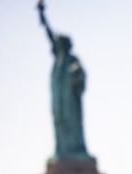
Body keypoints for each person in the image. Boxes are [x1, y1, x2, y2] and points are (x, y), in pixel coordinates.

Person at [38, 0, 92, 161]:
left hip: (70, 101)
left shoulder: (72, 61)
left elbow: (80, 76)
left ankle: (75, 150)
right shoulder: (58, 61)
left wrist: (77, 77)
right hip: (58, 98)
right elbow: (49, 34)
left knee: (71, 124)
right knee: (59, 121)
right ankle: (62, 150)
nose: (58, 45)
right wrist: (42, 15)